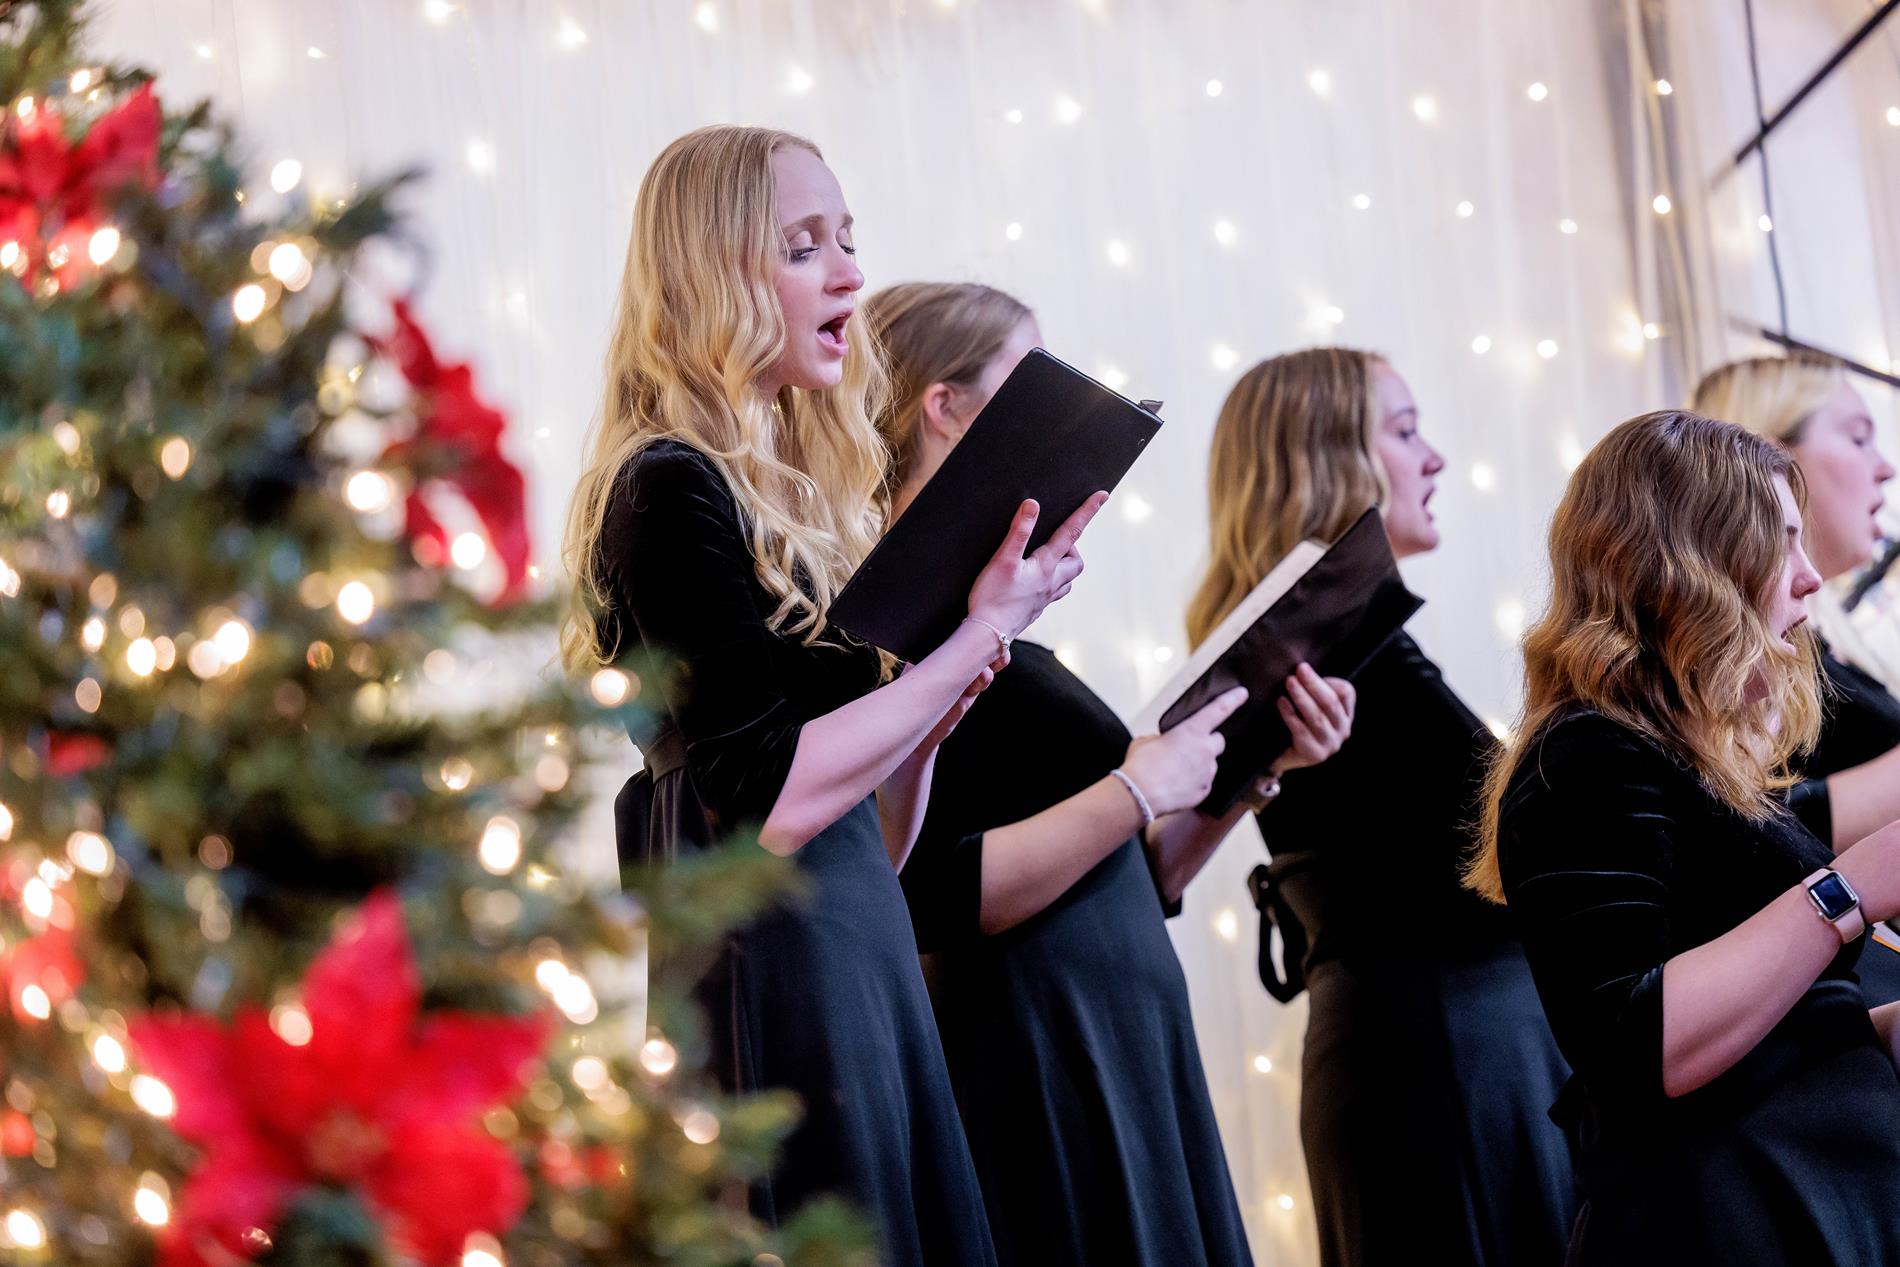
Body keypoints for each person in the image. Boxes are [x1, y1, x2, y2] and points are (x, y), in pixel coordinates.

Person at [560, 127, 1106, 1266]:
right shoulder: (666, 486)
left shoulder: (799, 510)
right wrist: (979, 634)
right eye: (805, 246)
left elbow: (882, 839)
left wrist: (944, 693)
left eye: (847, 241)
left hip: (854, 943)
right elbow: (766, 798)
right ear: (712, 273)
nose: (852, 274)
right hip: (772, 968)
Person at [866, 281, 1356, 1267]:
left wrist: (1255, 770)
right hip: (1038, 1044)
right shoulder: (904, 631)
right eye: (1029, 375)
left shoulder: (987, 614)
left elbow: (1139, 874)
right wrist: (1132, 785)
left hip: (1124, 1034)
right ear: (942, 405)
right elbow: (933, 892)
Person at [1467, 409, 1900, 1263]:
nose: (1811, 579)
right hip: (1723, 1219)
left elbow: (1792, 1028)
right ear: (1690, 563)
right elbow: (1635, 1047)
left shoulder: (1694, 763)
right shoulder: (1583, 754)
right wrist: (1849, 891)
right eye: (1782, 542)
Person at [1185, 348, 1573, 1266]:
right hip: (1443, 1065)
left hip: (1437, 1057)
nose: (1434, 457)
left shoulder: (1320, 648)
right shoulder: (1334, 653)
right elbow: (1530, 830)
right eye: (1403, 431)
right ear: (1326, 462)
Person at [1692, 354, 1900, 999]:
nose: (1885, 466)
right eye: (1858, 436)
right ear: (1768, 461)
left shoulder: (1818, 642)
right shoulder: (1745, 659)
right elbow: (1752, 821)